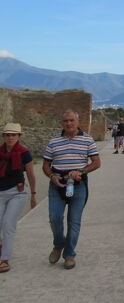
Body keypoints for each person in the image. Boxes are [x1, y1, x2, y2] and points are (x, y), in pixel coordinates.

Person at [42, 110, 100, 270]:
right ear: (62, 123)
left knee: (74, 221)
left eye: (71, 120)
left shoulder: (87, 139)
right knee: (54, 218)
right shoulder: (54, 141)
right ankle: (58, 244)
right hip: (57, 183)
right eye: (65, 121)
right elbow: (46, 164)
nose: (68, 123)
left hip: (78, 184)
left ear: (77, 122)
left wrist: (81, 172)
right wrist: (52, 176)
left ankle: (69, 254)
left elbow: (96, 162)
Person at [0, 123, 37, 273]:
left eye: (13, 135)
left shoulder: (24, 153)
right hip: (0, 193)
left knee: (8, 224)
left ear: (19, 136)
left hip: (17, 192)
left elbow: (31, 175)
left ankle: (4, 259)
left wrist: (33, 195)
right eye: (7, 135)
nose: (10, 137)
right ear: (4, 136)